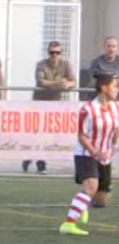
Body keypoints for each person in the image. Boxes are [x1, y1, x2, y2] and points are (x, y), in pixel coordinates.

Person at [59, 75, 119, 236]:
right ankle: (68, 224)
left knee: (100, 200)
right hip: (86, 153)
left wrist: (116, 136)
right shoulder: (88, 109)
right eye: (114, 86)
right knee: (90, 187)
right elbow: (81, 135)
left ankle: (82, 205)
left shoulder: (117, 107)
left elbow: (118, 130)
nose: (117, 89)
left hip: (105, 156)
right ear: (104, 88)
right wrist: (95, 151)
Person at [26, 41, 76, 174]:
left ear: (61, 54)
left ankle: (30, 157)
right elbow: (41, 82)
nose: (54, 55)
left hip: (57, 104)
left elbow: (73, 81)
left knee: (56, 134)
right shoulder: (41, 64)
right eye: (52, 53)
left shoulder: (66, 64)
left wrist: (67, 84)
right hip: (40, 102)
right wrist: (61, 83)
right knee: (40, 134)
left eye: (57, 53)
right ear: (48, 53)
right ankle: (40, 164)